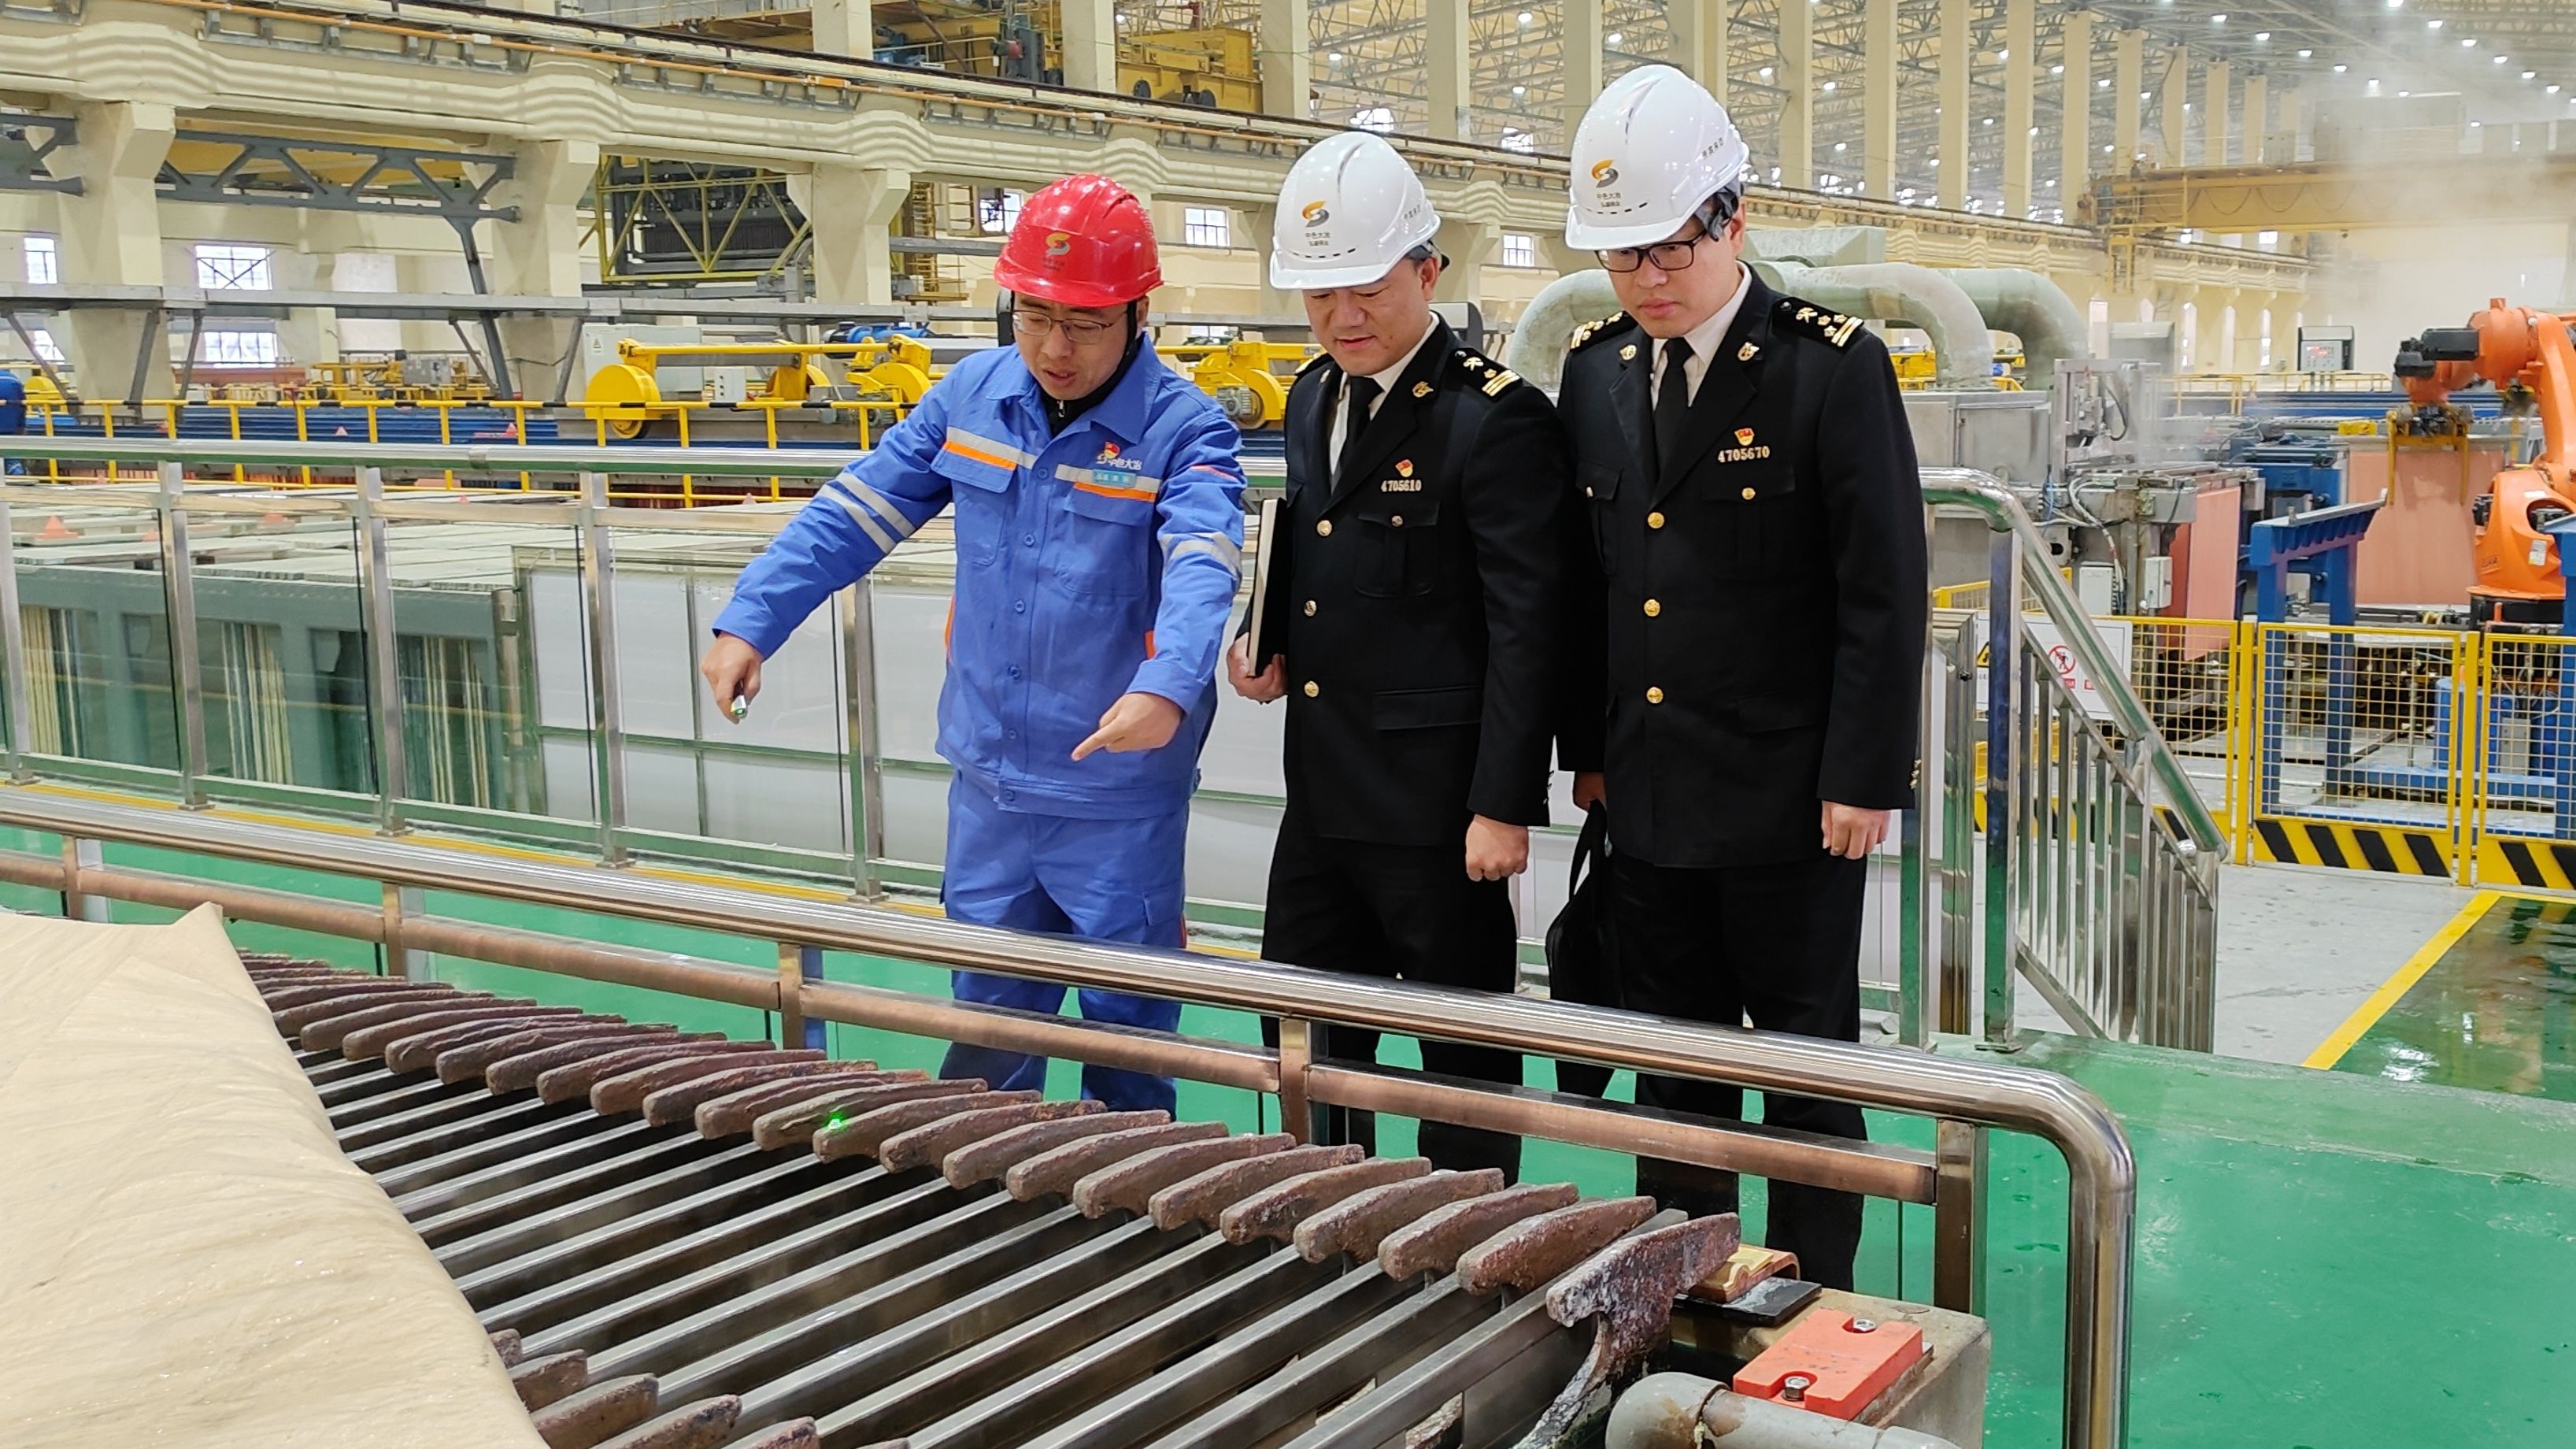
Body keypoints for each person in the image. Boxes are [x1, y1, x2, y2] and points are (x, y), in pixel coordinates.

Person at [701, 174, 1245, 1115]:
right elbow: (858, 508)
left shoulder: (1183, 429)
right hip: (989, 785)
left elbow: (1203, 560)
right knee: (988, 1034)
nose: (1053, 348)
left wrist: (1167, 683)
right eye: (1033, 316)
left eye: (1084, 324)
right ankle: (994, 1188)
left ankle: (1127, 1186)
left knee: (1128, 1038)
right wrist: (752, 616)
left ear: (1137, 314)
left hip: (1114, 795)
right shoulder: (972, 397)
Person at [1554, 65, 1929, 1288]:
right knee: (1677, 1070)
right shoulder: (1597, 373)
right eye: (1623, 255)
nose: (1648, 277)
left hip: (1791, 803)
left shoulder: (1830, 369)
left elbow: (1883, 589)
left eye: (1670, 246)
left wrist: (1864, 775)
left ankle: (1812, 1303)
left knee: (1805, 1069)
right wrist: (1588, 752)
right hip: (1652, 798)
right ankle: (1686, 1287)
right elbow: (1594, 583)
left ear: (1734, 219)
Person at [1227, 132, 1575, 1179]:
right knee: (1304, 1046)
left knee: (1460, 1069)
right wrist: (1266, 641)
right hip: (1322, 797)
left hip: (1441, 817)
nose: (1343, 315)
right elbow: (1319, 543)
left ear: (1428, 272)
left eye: (1367, 288)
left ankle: (1471, 1243)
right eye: (1319, 292)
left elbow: (1527, 626)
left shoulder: (1493, 421)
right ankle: (1324, 1227)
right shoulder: (1309, 396)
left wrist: (1503, 804)